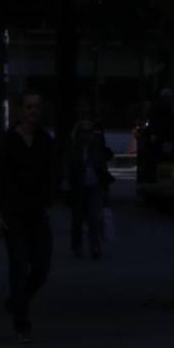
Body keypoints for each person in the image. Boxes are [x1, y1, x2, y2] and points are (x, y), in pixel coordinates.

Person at [0, 91, 55, 342]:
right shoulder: (9, 140)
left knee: (40, 267)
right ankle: (21, 323)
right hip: (13, 214)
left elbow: (50, 172)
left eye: (36, 107)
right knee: (18, 266)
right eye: (28, 107)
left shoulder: (44, 139)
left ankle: (17, 301)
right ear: (20, 111)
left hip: (37, 213)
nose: (32, 112)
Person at [68, 104, 113, 259]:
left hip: (94, 182)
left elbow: (101, 160)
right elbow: (71, 159)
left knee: (93, 216)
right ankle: (79, 246)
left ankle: (94, 245)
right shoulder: (76, 138)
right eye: (84, 121)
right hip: (80, 182)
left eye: (88, 121)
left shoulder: (97, 137)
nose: (86, 124)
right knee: (78, 217)